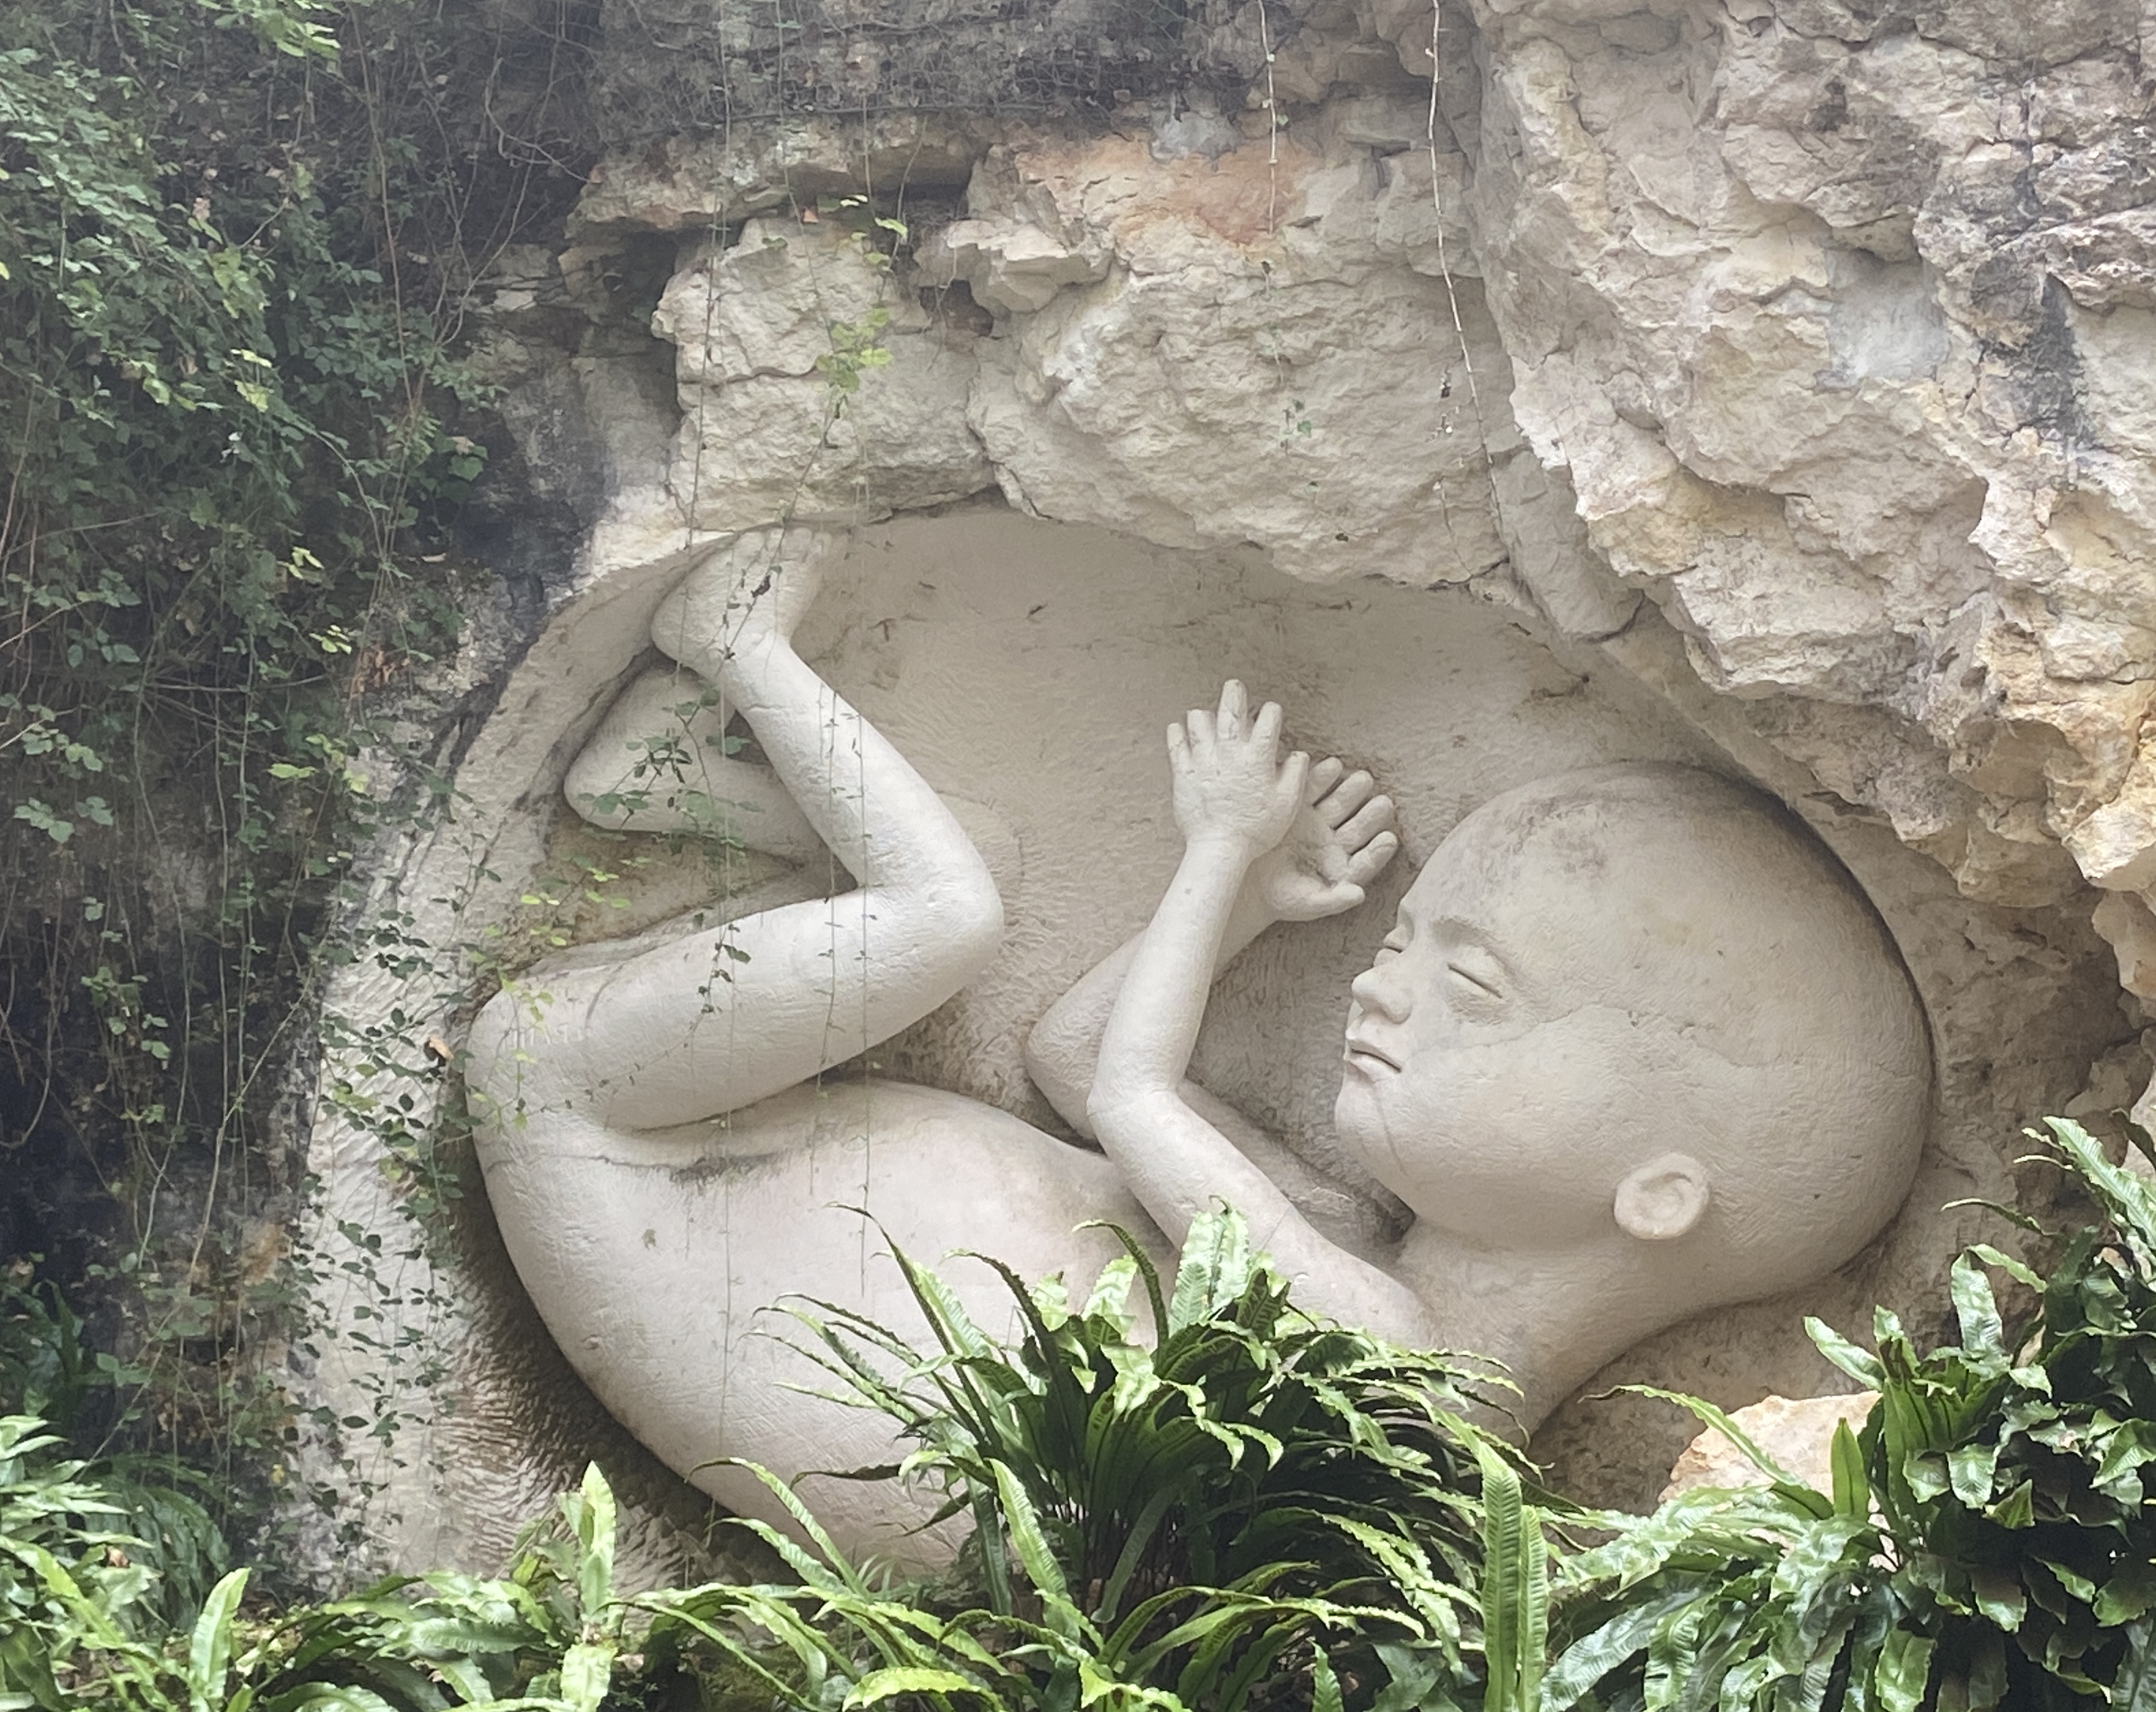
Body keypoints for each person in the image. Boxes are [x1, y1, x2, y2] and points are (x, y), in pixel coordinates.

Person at [467, 527, 1932, 1559]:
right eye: (1407, 947)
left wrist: (1225, 843)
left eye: (1475, 987)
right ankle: (689, 782)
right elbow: (1069, 1059)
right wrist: (1242, 908)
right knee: (955, 888)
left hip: (609, 1122)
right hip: (690, 1105)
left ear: (1658, 1195)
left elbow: (1124, 1087)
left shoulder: (1396, 1385)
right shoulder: (1352, 1242)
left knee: (951, 909)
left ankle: (732, 645)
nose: (1384, 990)